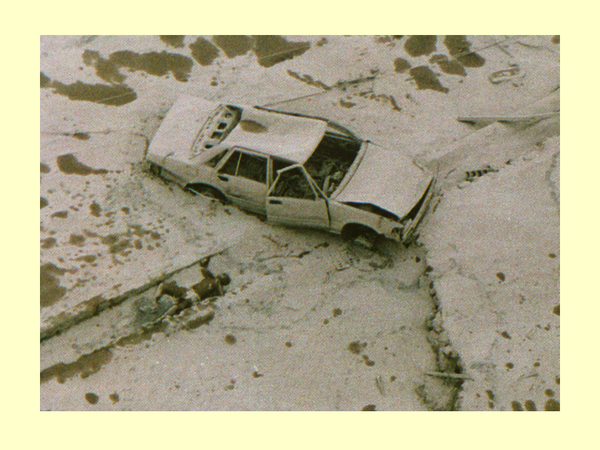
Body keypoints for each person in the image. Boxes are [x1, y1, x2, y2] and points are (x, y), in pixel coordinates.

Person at [141, 257, 230, 327]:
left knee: (176, 307)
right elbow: (202, 267)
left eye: (222, 276)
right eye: (221, 275)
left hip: (193, 298)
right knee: (163, 286)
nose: (219, 275)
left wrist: (218, 284)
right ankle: (155, 305)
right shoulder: (210, 277)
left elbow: (221, 294)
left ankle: (157, 321)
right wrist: (207, 259)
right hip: (187, 292)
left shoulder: (217, 288)